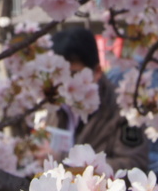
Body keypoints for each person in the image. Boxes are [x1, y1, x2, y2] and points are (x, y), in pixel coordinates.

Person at [51, 27, 149, 172]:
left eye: (73, 74)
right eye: (58, 76)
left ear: (96, 72)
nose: (66, 84)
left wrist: (70, 167)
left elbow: (134, 165)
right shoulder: (55, 106)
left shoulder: (123, 109)